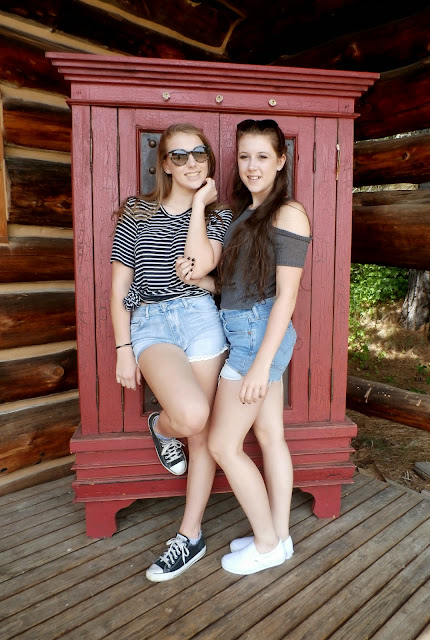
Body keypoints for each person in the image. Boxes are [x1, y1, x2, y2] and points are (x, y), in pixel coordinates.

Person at [176, 119, 311, 575]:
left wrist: (260, 365)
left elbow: (286, 296)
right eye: (245, 156)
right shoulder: (244, 215)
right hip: (248, 331)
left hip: (258, 339)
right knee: (270, 436)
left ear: (281, 161)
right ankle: (280, 537)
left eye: (263, 157)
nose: (252, 166)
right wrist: (201, 280)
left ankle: (267, 543)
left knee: (222, 444)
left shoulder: (288, 213)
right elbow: (235, 287)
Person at [110, 123, 232, 581]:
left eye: (199, 153)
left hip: (200, 317)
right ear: (164, 164)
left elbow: (200, 266)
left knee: (201, 434)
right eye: (179, 156)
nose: (191, 162)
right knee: (191, 416)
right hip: (151, 321)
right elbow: (119, 287)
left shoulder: (218, 214)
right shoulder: (137, 211)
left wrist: (198, 205)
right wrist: (124, 348)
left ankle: (189, 535)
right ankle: (161, 427)